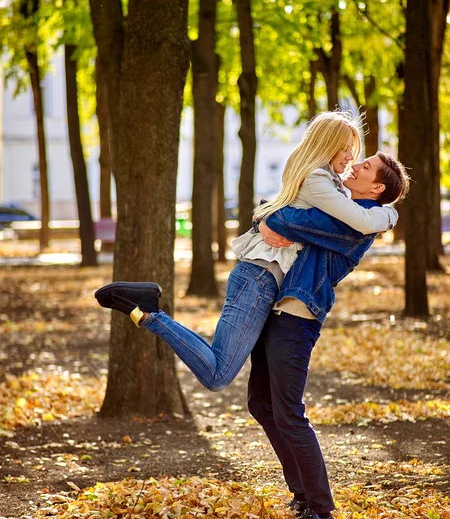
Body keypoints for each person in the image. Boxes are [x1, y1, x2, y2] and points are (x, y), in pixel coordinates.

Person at [95, 112, 397, 393]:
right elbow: (356, 221)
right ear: (327, 144)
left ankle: (147, 310)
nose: (351, 157)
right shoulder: (318, 179)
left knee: (228, 377)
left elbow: (294, 216)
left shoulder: (325, 180)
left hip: (261, 278)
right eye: (345, 148)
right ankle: (148, 311)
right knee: (218, 375)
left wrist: (267, 217)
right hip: (259, 278)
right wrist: (390, 216)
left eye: (353, 151)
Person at [246, 151, 409, 519]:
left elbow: (286, 218)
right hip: (280, 309)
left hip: (297, 315)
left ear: (377, 187)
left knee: (288, 411)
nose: (357, 165)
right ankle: (303, 494)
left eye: (366, 167)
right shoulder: (352, 211)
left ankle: (319, 507)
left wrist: (269, 212)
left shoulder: (355, 225)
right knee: (261, 403)